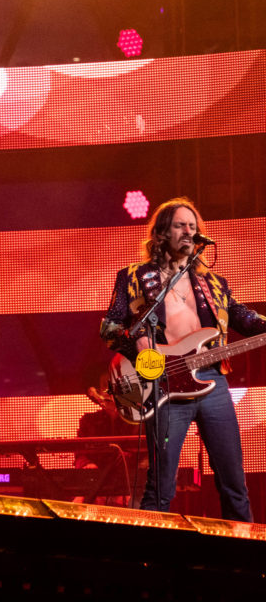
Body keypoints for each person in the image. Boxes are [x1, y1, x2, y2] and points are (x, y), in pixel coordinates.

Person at [100, 197, 265, 521]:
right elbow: (110, 328)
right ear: (163, 232)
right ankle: (153, 558)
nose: (189, 231)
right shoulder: (134, 276)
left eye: (193, 226)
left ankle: (246, 559)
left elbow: (242, 317)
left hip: (212, 382)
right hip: (163, 385)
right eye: (180, 225)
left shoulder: (214, 284)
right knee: (161, 486)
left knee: (233, 480)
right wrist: (142, 350)